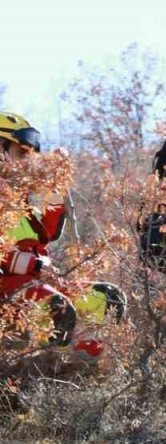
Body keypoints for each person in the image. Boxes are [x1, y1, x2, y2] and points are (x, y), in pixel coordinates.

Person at [0, 112, 127, 356]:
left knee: (106, 299)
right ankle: (39, 377)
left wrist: (54, 185)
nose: (29, 162)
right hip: (8, 292)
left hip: (33, 283)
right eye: (22, 153)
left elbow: (49, 231)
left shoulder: (21, 200)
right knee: (56, 307)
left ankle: (84, 374)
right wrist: (37, 264)